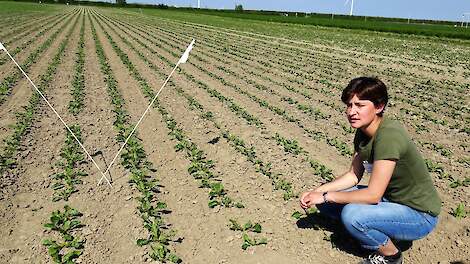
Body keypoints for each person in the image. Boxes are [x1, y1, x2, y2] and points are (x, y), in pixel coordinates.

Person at [300, 77, 441, 264]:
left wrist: (327, 196)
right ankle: (374, 230)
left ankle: (391, 256)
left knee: (352, 215)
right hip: (391, 201)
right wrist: (318, 192)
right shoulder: (363, 132)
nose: (352, 111)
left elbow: (373, 195)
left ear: (379, 107)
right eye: (349, 105)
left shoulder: (389, 136)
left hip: (419, 215)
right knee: (327, 199)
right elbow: (353, 175)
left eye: (360, 105)